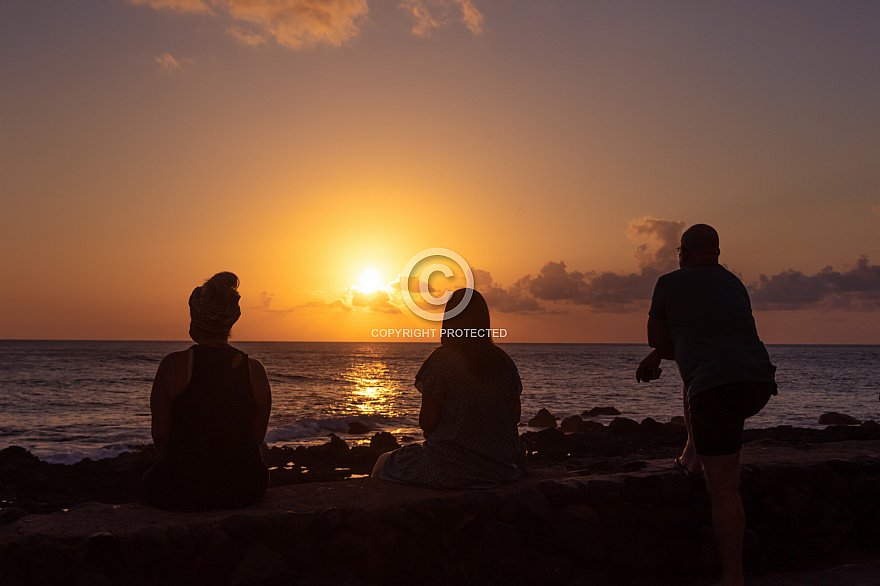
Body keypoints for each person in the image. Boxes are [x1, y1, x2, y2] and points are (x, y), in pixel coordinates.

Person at [636, 224, 777, 586]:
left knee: (724, 490)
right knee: (700, 383)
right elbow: (721, 336)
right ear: (715, 251)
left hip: (717, 390)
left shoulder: (669, 282)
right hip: (758, 381)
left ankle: (733, 578)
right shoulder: (733, 283)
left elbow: (659, 338)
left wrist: (656, 352)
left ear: (683, 251)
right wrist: (659, 354)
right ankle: (692, 456)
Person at [141, 272, 272, 511]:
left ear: (195, 319)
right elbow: (256, 438)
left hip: (181, 488)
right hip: (246, 486)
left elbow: (160, 435)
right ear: (231, 321)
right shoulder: (256, 371)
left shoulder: (173, 365)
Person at [372, 288, 524, 488]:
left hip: (451, 469)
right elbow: (515, 417)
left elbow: (427, 422)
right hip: (502, 469)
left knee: (383, 462)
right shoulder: (504, 361)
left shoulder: (441, 360)